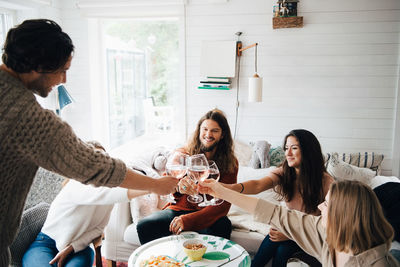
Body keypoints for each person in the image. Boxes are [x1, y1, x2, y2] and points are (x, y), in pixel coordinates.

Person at [0, 19, 178, 266]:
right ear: (38, 65)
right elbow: (98, 169)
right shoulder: (28, 118)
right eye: (62, 69)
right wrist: (157, 185)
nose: (63, 80)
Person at [200, 179, 400, 267]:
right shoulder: (325, 235)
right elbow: (273, 213)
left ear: (344, 217)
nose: (320, 206)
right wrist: (220, 191)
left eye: (327, 204)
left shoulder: (378, 264)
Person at [225, 129, 333, 267]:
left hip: (310, 237)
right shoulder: (286, 171)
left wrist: (290, 234)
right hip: (289, 229)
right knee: (273, 238)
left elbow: (329, 226)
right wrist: (227, 188)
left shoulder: (326, 182)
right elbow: (257, 185)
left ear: (308, 151)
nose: (287, 153)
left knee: (283, 249)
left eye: (294, 148)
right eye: (286, 148)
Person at [136, 109, 238, 244]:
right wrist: (178, 187)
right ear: (199, 131)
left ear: (223, 134)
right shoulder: (183, 154)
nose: (208, 134)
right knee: (145, 225)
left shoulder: (231, 163)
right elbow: (166, 185)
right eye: (205, 129)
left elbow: (222, 206)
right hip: (178, 209)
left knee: (223, 225)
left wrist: (188, 220)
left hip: (206, 215)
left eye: (215, 130)